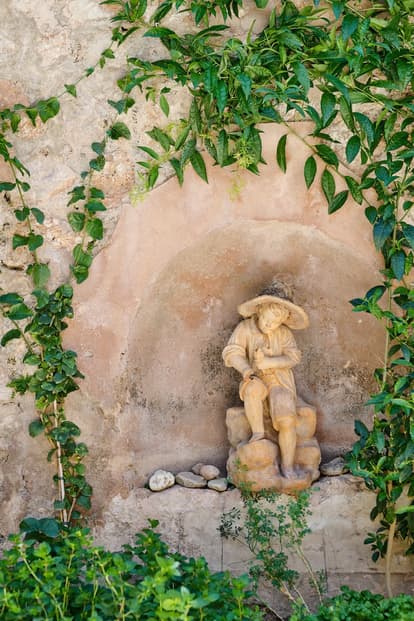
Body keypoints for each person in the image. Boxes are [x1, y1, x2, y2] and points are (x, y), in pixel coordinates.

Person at [222, 282, 309, 479]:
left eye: (275, 324)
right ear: (259, 310)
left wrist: (270, 362)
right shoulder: (245, 328)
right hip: (254, 376)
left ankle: (287, 466)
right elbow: (232, 352)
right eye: (268, 321)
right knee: (253, 389)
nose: (270, 326)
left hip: (279, 381)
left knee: (286, 418)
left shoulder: (284, 333)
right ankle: (258, 434)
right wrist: (246, 369)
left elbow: (293, 357)